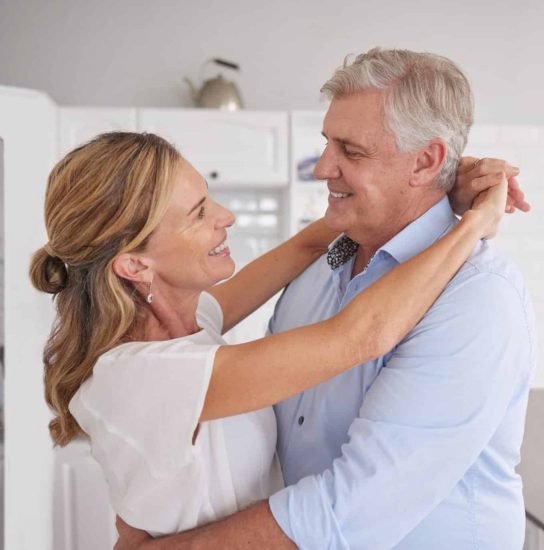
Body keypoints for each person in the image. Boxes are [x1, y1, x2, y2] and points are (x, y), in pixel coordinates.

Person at [115, 48, 536, 550]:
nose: (322, 168)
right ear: (132, 266)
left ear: (426, 160)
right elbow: (358, 336)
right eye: (327, 144)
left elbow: (354, 510)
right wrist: (464, 212)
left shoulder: (478, 297)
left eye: (350, 151)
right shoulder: (316, 272)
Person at [30, 124, 518, 537]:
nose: (226, 217)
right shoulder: (142, 375)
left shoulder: (190, 322)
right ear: (135, 264)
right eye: (199, 214)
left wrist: (427, 188)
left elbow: (308, 244)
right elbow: (362, 335)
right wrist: (473, 223)